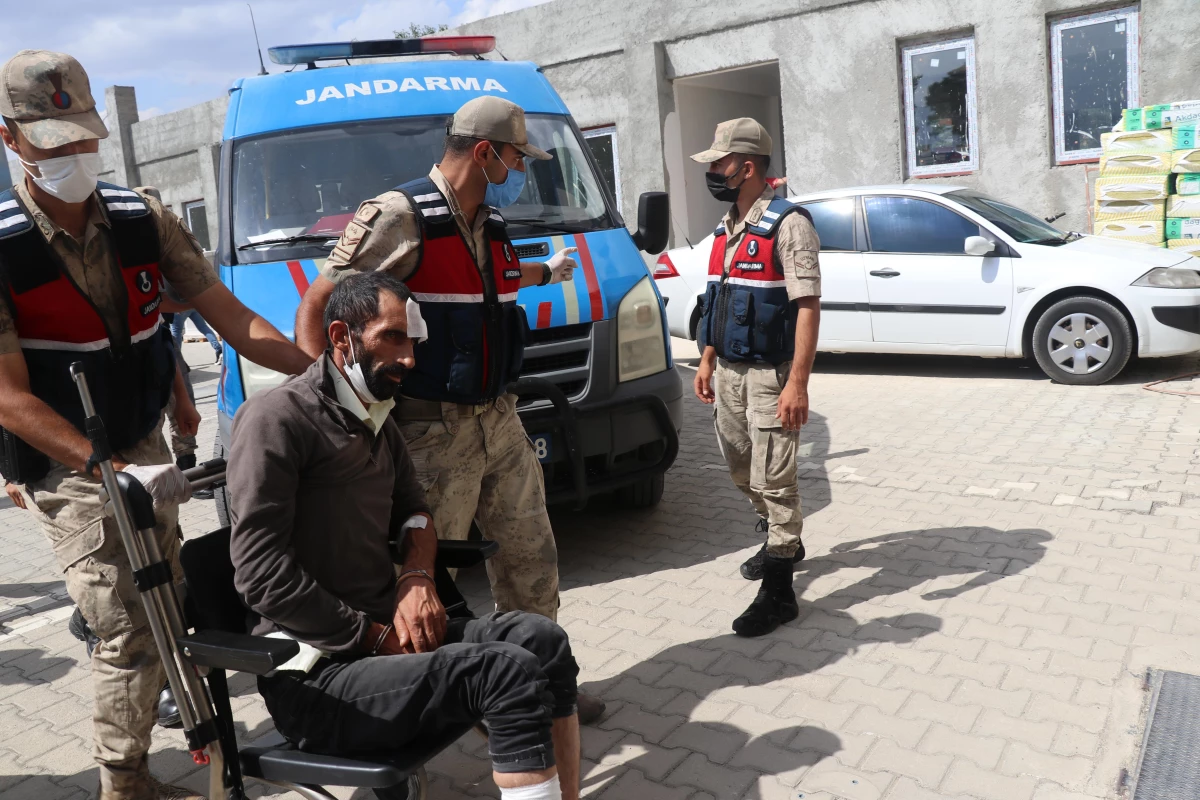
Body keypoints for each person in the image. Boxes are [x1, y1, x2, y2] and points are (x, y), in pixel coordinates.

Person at [0, 50, 313, 799]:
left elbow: (231, 317)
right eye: (55, 143)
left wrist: (323, 376)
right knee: (126, 625)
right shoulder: (4, 246)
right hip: (63, 460)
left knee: (169, 599)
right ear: (12, 140)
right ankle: (124, 781)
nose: (76, 156)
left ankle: (197, 738)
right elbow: (7, 397)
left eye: (84, 138)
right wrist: (106, 469)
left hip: (139, 441)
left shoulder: (144, 219)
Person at [293, 96, 606, 723]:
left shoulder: (487, 221)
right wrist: (333, 411)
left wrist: (551, 271)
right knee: (423, 580)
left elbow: (497, 286)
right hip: (428, 431)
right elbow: (319, 307)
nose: (521, 169)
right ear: (485, 152)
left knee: (530, 560)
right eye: (517, 157)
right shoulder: (399, 216)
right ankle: (419, 708)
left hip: (499, 419)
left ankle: (541, 686)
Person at [231, 272, 581, 800]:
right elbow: (259, 575)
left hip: (386, 644)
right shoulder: (276, 420)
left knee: (542, 641)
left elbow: (415, 512)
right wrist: (373, 637)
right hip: (318, 678)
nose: (410, 359)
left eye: (412, 341)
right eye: (391, 338)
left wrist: (416, 578)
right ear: (341, 338)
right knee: (504, 673)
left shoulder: (376, 415)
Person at [691, 118, 822, 637]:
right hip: (727, 372)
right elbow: (714, 301)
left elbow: (808, 307)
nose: (712, 171)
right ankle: (780, 536)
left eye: (719, 163)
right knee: (741, 469)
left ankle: (780, 588)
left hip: (772, 377)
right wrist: (705, 357)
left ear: (746, 167)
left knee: (776, 478)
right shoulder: (725, 228)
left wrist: (799, 384)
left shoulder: (789, 225)